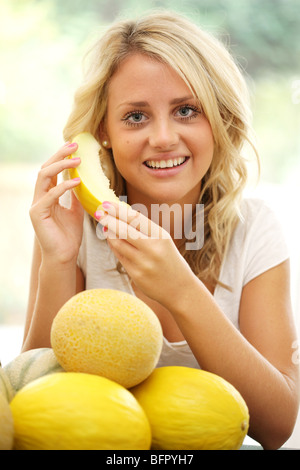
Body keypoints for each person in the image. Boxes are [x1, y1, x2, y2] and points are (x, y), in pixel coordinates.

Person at [22, 11, 299, 449]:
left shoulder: (255, 229)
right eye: (135, 117)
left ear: (220, 119)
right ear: (103, 132)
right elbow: (30, 402)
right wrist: (57, 261)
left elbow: (276, 426)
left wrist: (182, 291)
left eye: (187, 110)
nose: (164, 137)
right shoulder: (74, 230)